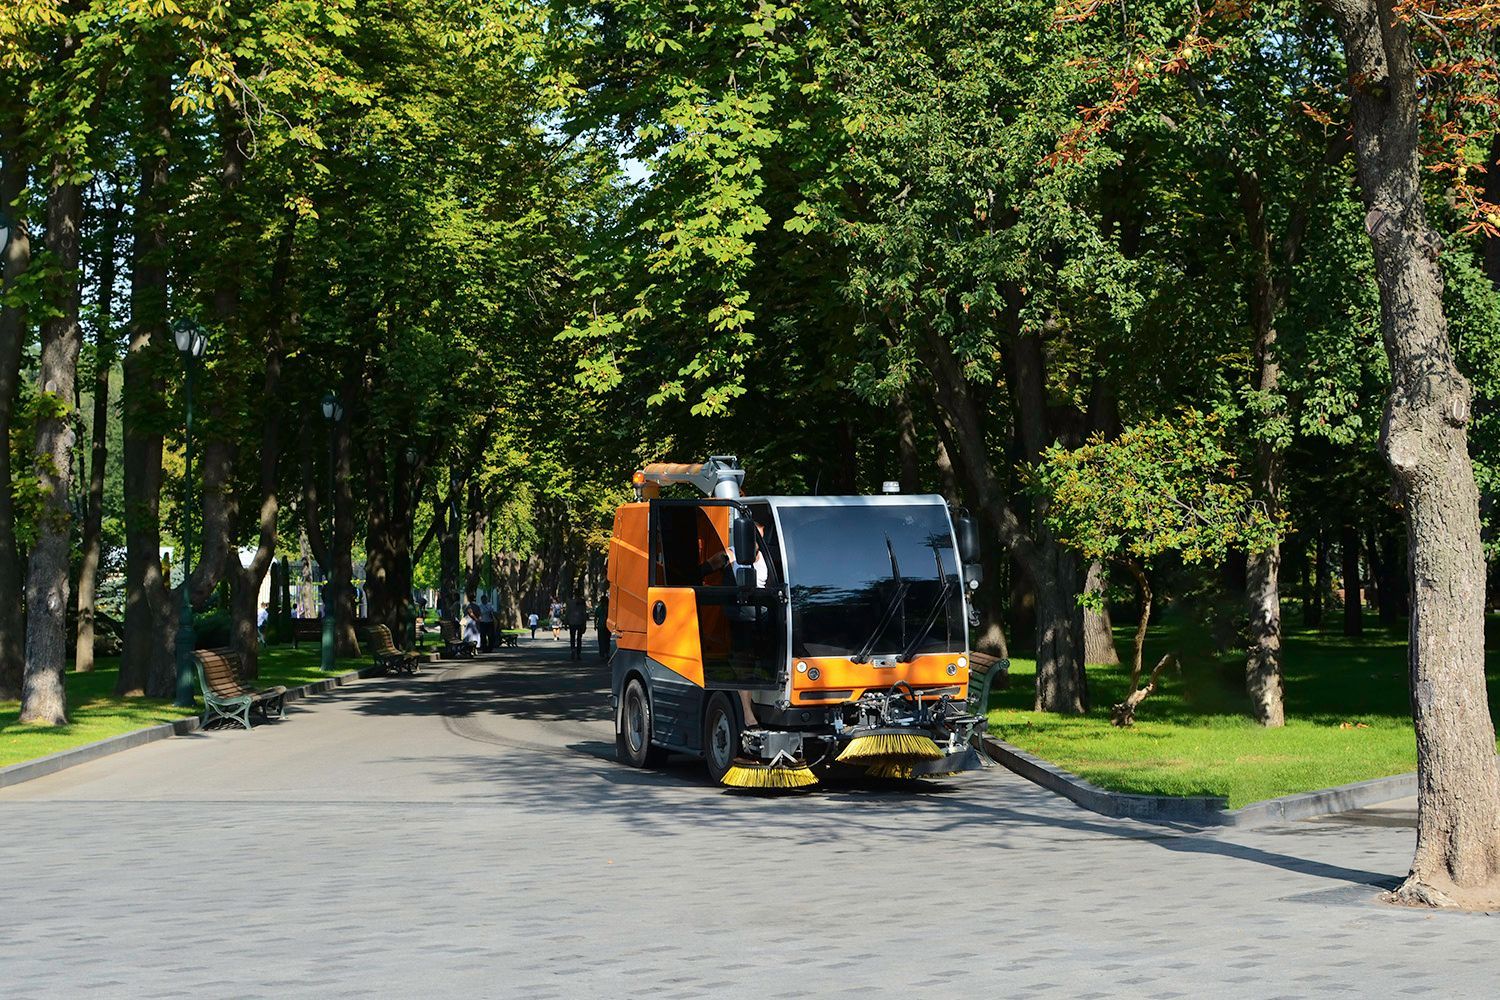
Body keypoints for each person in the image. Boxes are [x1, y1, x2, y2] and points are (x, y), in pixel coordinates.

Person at [566, 596, 588, 660]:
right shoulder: (582, 602)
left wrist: (566, 621)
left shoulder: (570, 602)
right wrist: (584, 623)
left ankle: (573, 650)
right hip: (580, 622)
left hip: (572, 622)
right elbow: (584, 613)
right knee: (579, 638)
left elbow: (568, 612)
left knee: (572, 637)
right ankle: (578, 653)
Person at [595, 592, 610, 663]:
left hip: (601, 626)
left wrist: (595, 625)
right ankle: (606, 652)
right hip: (607, 626)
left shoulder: (599, 608)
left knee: (601, 640)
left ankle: (602, 653)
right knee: (607, 640)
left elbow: (596, 617)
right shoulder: (609, 609)